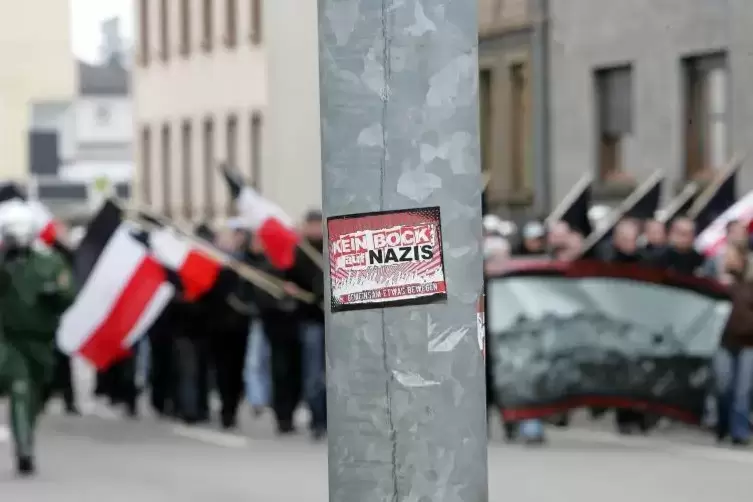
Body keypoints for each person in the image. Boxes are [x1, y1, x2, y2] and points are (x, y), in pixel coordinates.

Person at [0, 202, 75, 475]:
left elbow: (68, 294)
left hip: (42, 341)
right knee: (20, 388)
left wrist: (55, 294)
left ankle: (25, 431)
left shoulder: (49, 261)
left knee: (38, 395)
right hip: (9, 339)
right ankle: (24, 450)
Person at [714, 244, 753, 446]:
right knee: (723, 386)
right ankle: (722, 425)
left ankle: (739, 431)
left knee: (743, 390)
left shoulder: (749, 284)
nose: (728, 260)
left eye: (731, 257)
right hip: (724, 341)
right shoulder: (718, 283)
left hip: (748, 342)